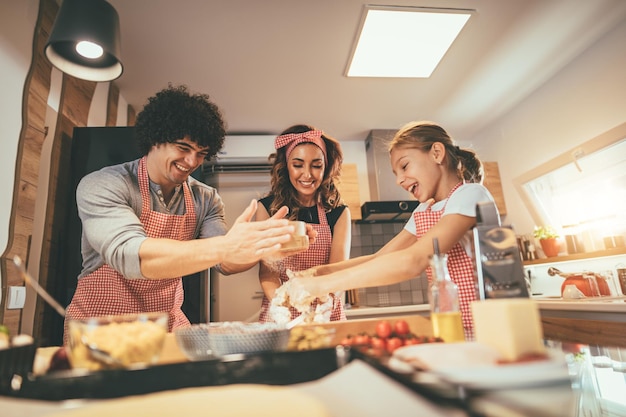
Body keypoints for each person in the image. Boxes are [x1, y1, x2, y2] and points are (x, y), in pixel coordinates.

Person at [63, 84, 306, 342]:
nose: (191, 162)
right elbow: (131, 256)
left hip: (166, 325)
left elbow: (224, 262)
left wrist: (265, 248)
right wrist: (227, 246)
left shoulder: (205, 198)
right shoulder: (104, 184)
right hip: (100, 327)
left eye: (201, 154)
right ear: (155, 138)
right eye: (183, 148)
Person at [286, 121, 496, 338]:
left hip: (489, 325)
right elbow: (380, 258)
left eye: (404, 166)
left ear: (436, 153)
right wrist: (320, 272)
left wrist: (320, 285)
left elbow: (413, 261)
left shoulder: (471, 194)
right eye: (396, 173)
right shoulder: (424, 209)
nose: (399, 181)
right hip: (453, 324)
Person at [257, 125, 351, 323]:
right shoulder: (267, 209)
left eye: (316, 165)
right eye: (298, 165)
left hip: (325, 311)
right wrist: (282, 307)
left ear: (325, 168)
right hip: (281, 311)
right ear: (286, 166)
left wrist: (323, 306)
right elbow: (267, 273)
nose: (307, 174)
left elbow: (337, 271)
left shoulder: (339, 213)